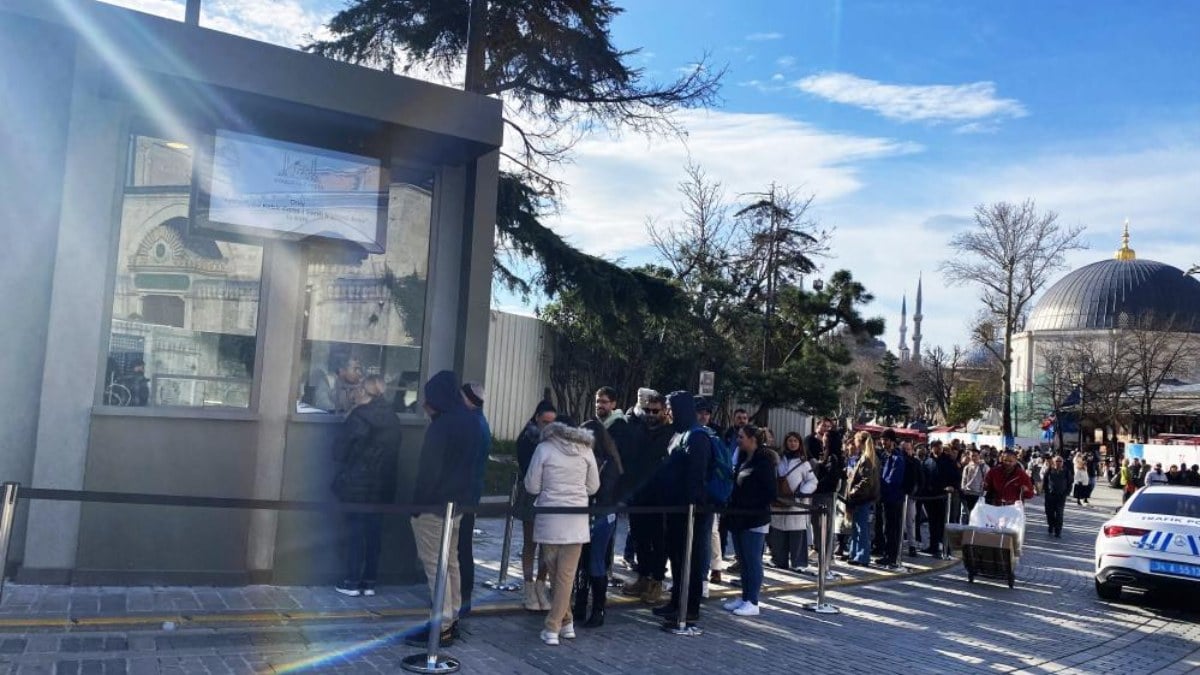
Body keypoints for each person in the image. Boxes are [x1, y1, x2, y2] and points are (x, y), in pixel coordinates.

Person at [406, 370, 479, 648]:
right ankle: (452, 617)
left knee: (435, 567)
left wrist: (416, 507)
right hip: (456, 505)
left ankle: (441, 626)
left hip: (432, 507)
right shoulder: (471, 421)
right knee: (451, 563)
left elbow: (429, 472)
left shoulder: (441, 426)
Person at [524, 421, 600, 645]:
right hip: (576, 519)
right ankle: (567, 623)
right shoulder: (586, 450)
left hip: (550, 518)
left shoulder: (544, 449)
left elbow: (531, 486)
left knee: (557, 574)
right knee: (566, 576)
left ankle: (552, 626)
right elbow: (593, 487)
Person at [331, 375, 401, 598]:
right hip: (383, 485)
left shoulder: (358, 416)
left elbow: (340, 452)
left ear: (364, 391)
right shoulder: (393, 417)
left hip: (357, 484)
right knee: (374, 534)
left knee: (355, 534)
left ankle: (352, 581)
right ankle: (369, 582)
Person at [651, 391, 713, 631]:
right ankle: (676, 601)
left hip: (690, 511)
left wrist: (690, 504)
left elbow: (696, 476)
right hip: (675, 508)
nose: (668, 412)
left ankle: (689, 608)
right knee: (677, 558)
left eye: (670, 407)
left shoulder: (698, 437)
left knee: (690, 559)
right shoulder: (680, 433)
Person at [621, 392, 673, 606]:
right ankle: (643, 577)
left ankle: (657, 581)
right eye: (647, 410)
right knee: (639, 538)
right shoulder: (639, 428)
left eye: (655, 411)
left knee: (659, 541)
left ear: (664, 411)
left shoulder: (670, 432)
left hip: (660, 497)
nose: (651, 414)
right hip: (638, 495)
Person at [572, 419, 623, 628]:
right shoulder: (590, 459)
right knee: (582, 561)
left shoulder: (608, 463)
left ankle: (598, 610)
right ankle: (580, 604)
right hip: (588, 514)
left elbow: (603, 492)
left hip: (601, 516)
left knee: (595, 561)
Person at [724, 424, 778, 616]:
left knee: (752, 560)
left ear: (752, 439)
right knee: (743, 560)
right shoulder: (742, 459)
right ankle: (745, 596)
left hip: (755, 519)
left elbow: (770, 492)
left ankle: (753, 601)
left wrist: (748, 504)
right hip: (739, 517)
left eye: (741, 437)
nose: (738, 440)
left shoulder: (764, 461)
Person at [517, 401, 558, 611]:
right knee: (530, 541)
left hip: (550, 493)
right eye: (545, 421)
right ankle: (528, 586)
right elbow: (527, 470)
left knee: (547, 543)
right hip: (532, 493)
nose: (548, 426)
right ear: (537, 418)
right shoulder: (527, 438)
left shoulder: (555, 440)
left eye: (553, 422)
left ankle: (541, 585)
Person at [457, 381, 491, 617]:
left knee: (461, 545)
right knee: (463, 544)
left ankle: (463, 595)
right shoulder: (479, 422)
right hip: (471, 492)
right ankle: (463, 594)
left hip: (464, 494)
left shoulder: (472, 425)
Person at [770, 432, 818, 572]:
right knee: (778, 533)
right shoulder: (778, 460)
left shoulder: (804, 463)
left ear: (799, 444)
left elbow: (812, 481)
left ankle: (799, 563)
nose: (792, 443)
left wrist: (802, 493)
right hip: (779, 502)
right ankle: (779, 560)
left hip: (796, 504)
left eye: (795, 441)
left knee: (797, 535)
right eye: (790, 441)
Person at [843, 431, 880, 567]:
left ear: (860, 442)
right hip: (863, 498)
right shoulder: (868, 457)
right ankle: (855, 554)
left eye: (856, 440)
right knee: (858, 527)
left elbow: (866, 480)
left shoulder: (866, 458)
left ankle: (862, 556)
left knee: (861, 528)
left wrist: (853, 491)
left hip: (862, 498)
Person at [876, 429, 907, 570]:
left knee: (892, 527)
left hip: (893, 497)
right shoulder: (885, 456)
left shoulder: (897, 458)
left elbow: (893, 480)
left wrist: (881, 486)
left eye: (886, 440)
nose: (883, 442)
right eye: (882, 440)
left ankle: (892, 555)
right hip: (886, 497)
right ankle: (887, 553)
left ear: (892, 441)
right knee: (886, 527)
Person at [1042, 455, 1072, 538]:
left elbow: (1070, 483)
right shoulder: (1049, 470)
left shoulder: (1066, 471)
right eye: (1057, 461)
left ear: (1062, 463)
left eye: (1060, 461)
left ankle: (1058, 531)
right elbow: (1045, 481)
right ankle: (1051, 525)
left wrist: (1066, 493)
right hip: (1050, 496)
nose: (1058, 463)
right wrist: (1046, 492)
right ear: (1053, 462)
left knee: (1059, 514)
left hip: (1061, 496)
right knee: (1049, 513)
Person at [960, 449, 985, 523]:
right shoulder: (967, 467)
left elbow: (987, 480)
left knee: (977, 514)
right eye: (972, 456)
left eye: (975, 455)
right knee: (965, 513)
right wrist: (963, 490)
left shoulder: (984, 467)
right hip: (967, 493)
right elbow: (964, 479)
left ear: (979, 456)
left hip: (978, 494)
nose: (974, 457)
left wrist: (983, 492)